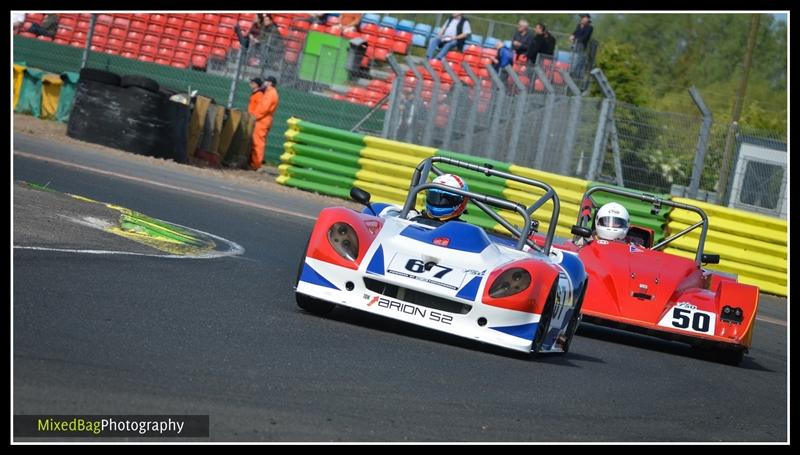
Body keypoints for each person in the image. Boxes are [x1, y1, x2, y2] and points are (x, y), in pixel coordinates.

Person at [250, 76, 279, 171]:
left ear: (270, 83)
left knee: (258, 142)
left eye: (266, 81)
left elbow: (264, 108)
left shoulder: (271, 93)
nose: (264, 83)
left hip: (262, 120)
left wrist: (255, 116)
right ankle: (255, 163)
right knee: (258, 141)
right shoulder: (270, 92)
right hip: (264, 119)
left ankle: (256, 164)